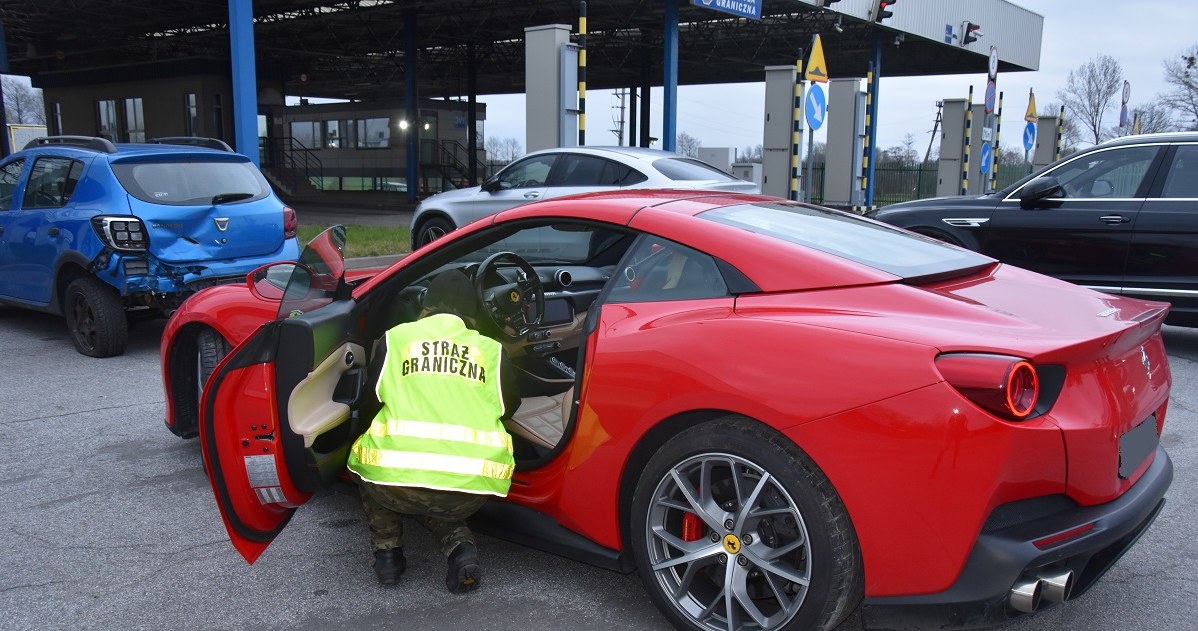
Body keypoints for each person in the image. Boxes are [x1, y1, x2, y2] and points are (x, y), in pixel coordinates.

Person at [347, 268, 520, 593]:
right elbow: (509, 407)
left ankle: (388, 557)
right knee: (440, 490)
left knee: (371, 466)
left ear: (424, 307)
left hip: (396, 485)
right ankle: (460, 548)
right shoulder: (493, 352)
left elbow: (371, 401)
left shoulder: (395, 339)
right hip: (472, 490)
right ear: (472, 314)